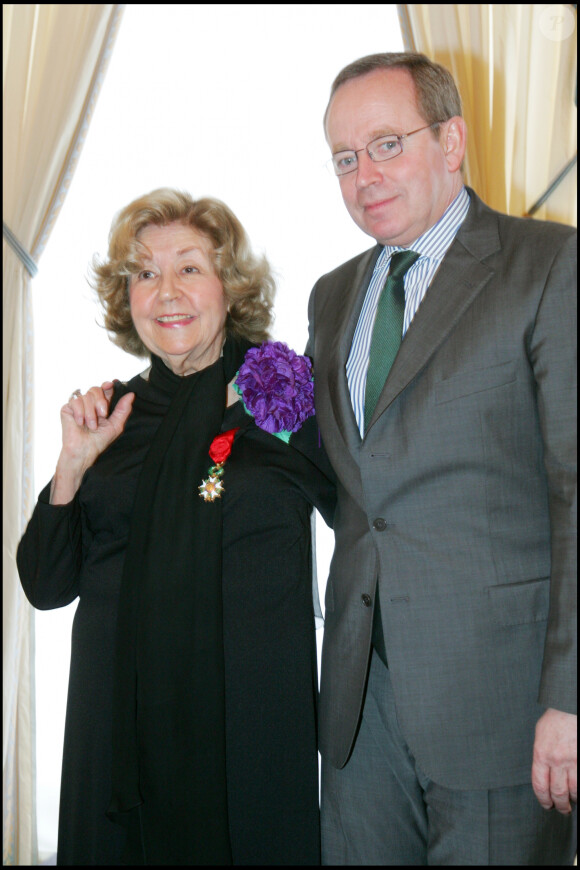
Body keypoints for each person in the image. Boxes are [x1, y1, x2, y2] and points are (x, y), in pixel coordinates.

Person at [307, 52, 577, 865]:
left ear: (452, 140)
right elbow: (357, 486)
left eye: (387, 144)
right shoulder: (331, 295)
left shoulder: (549, 266)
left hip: (503, 702)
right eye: (345, 158)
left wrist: (570, 698)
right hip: (361, 703)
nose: (365, 176)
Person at [18, 188, 335, 866]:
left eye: (189, 267)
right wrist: (73, 464)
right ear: (125, 297)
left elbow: (369, 516)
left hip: (244, 731)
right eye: (145, 273)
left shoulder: (279, 401)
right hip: (118, 734)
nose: (167, 291)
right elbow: (44, 584)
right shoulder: (112, 418)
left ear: (230, 287)